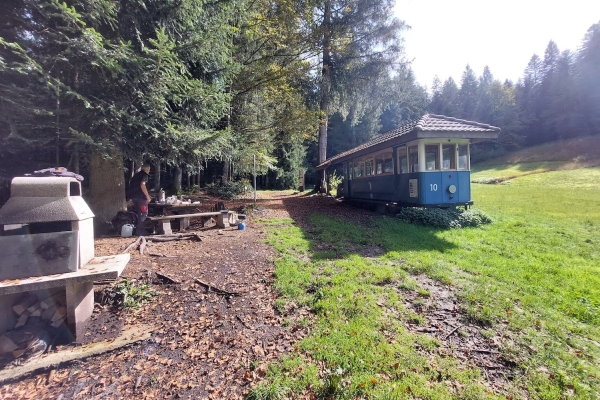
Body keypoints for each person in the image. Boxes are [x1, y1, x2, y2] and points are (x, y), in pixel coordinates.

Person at [128, 164, 151, 235]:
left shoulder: (135, 175)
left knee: (138, 213)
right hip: (141, 198)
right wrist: (147, 196)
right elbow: (142, 185)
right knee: (143, 213)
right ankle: (140, 231)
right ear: (147, 169)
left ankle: (136, 230)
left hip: (134, 197)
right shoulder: (145, 175)